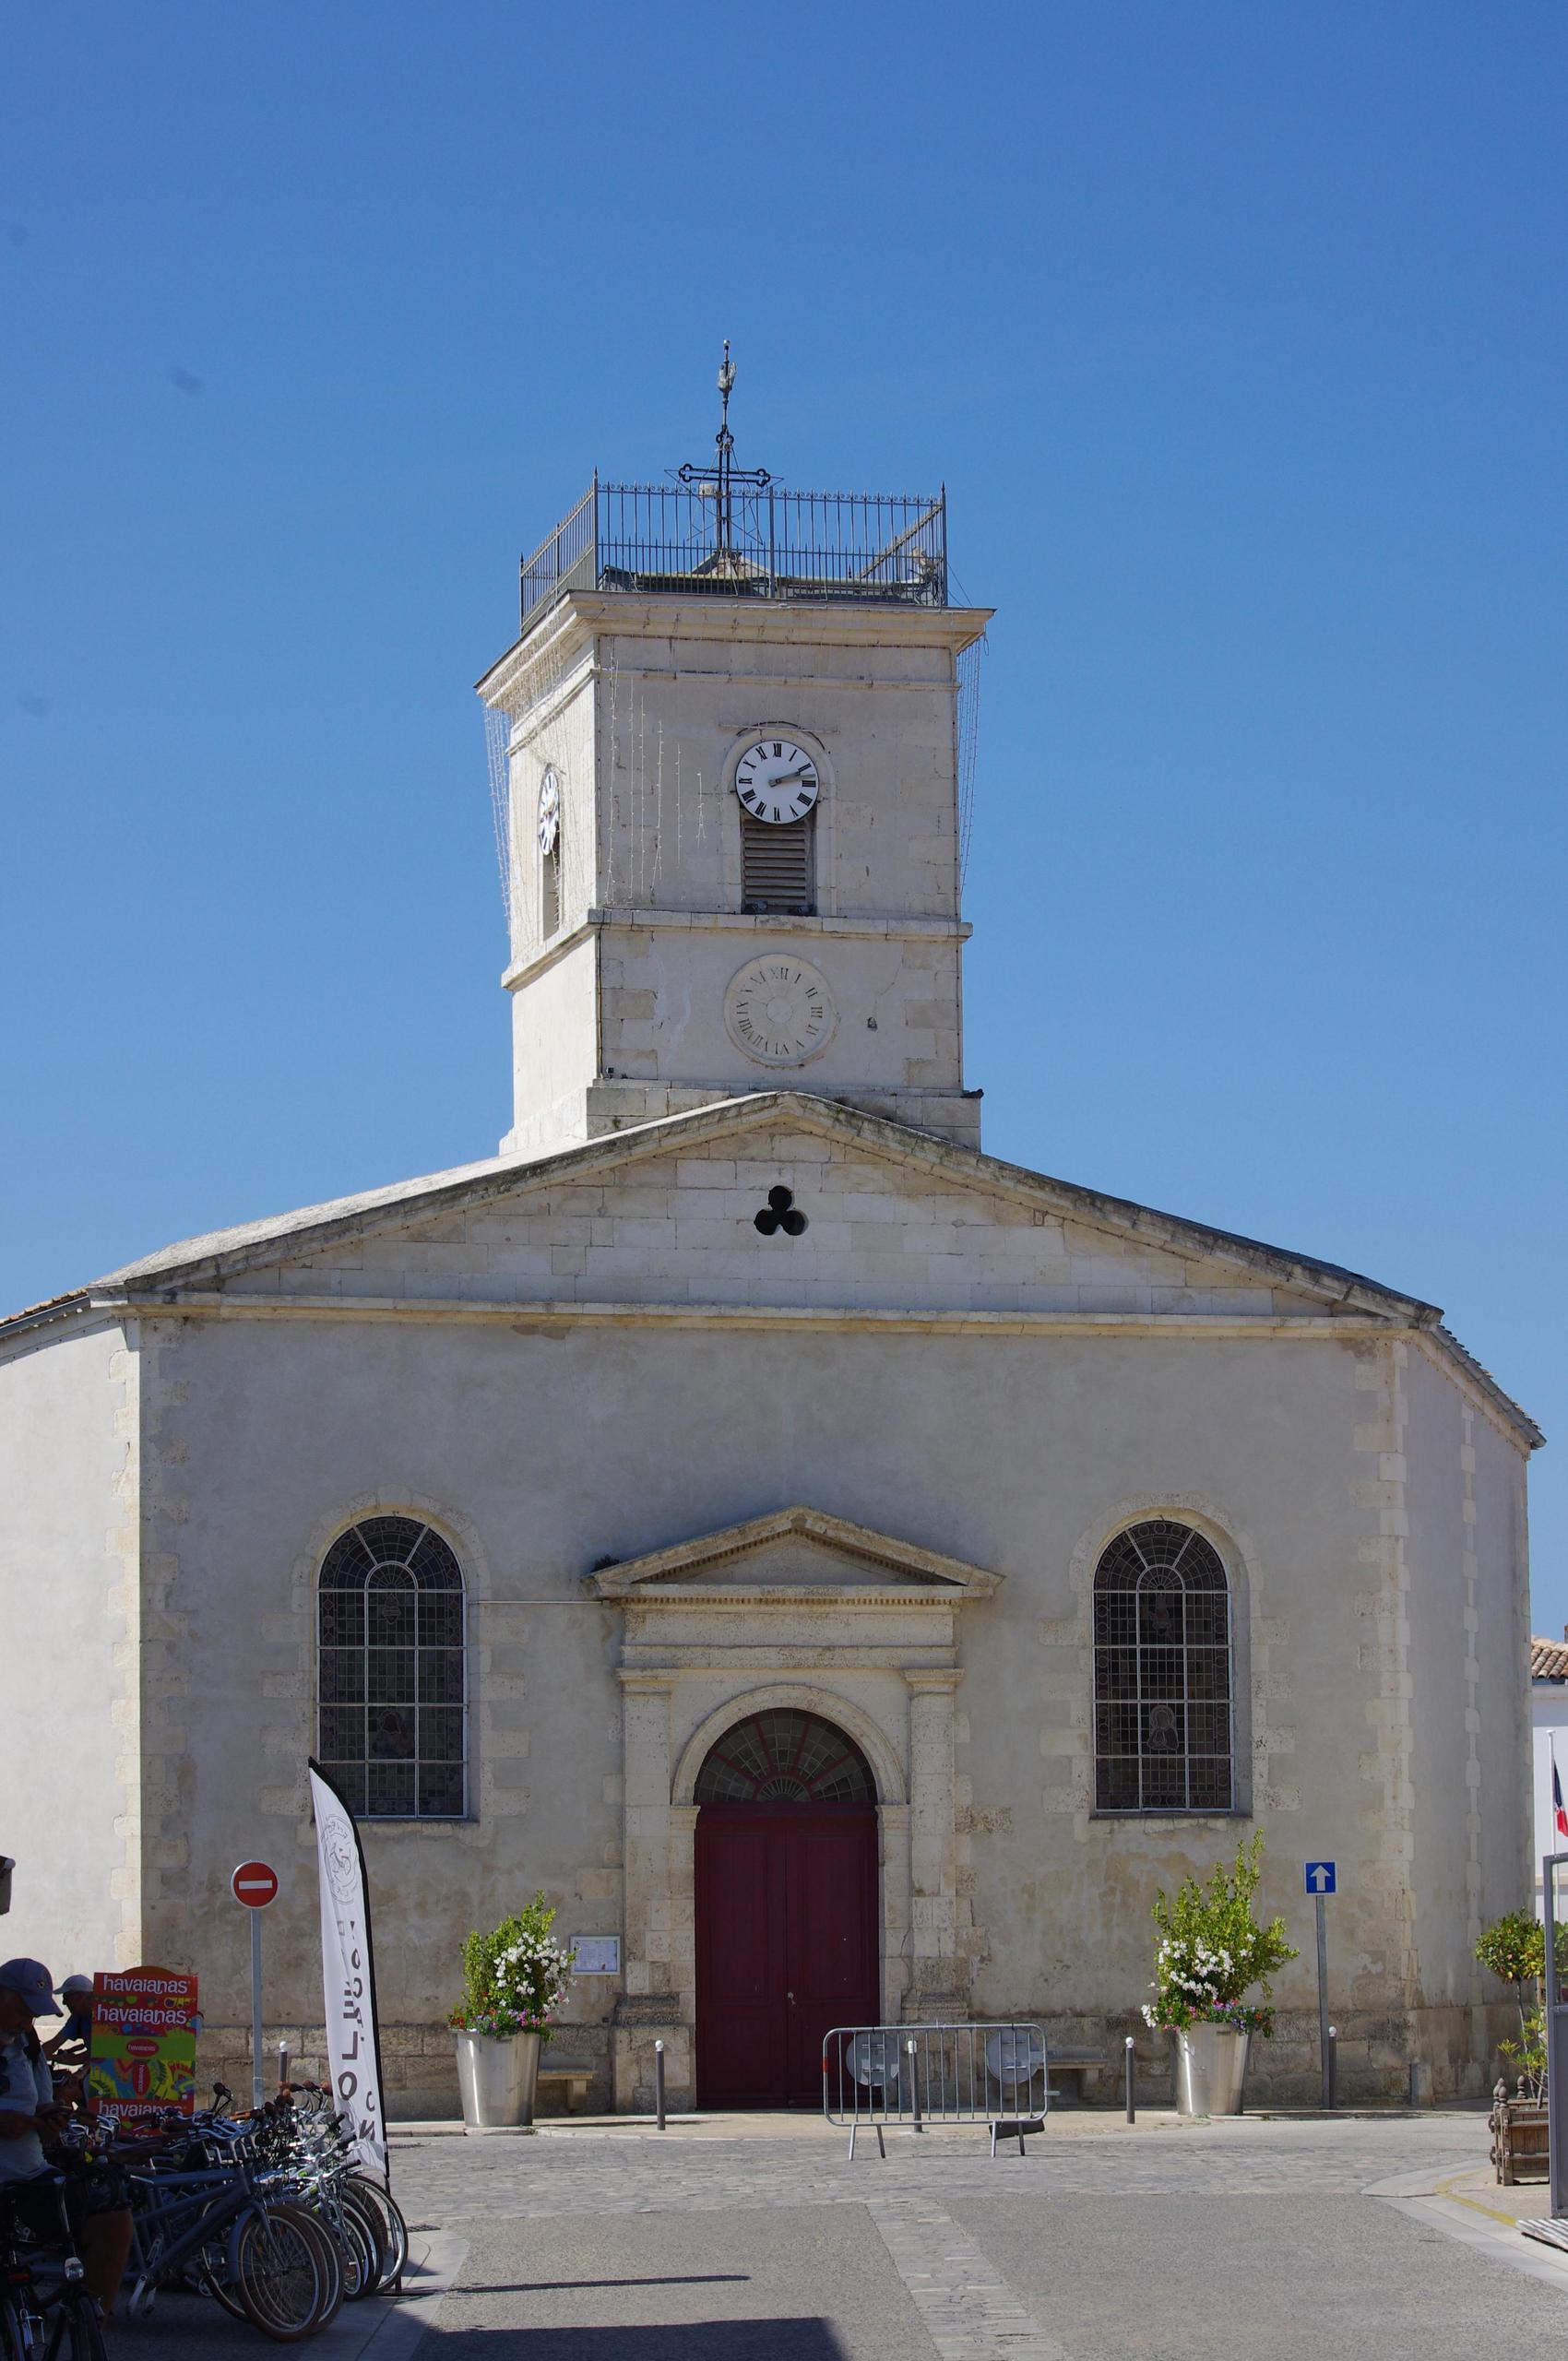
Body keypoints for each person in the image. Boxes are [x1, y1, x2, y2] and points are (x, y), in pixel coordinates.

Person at [0, 1959, 130, 2321]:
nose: (28, 2022)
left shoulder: (26, 2046)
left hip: (26, 2176)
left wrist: (53, 2118)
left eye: (33, 2014)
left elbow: (43, 2104)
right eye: (23, 2010)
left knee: (113, 2221)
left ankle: (92, 2324)